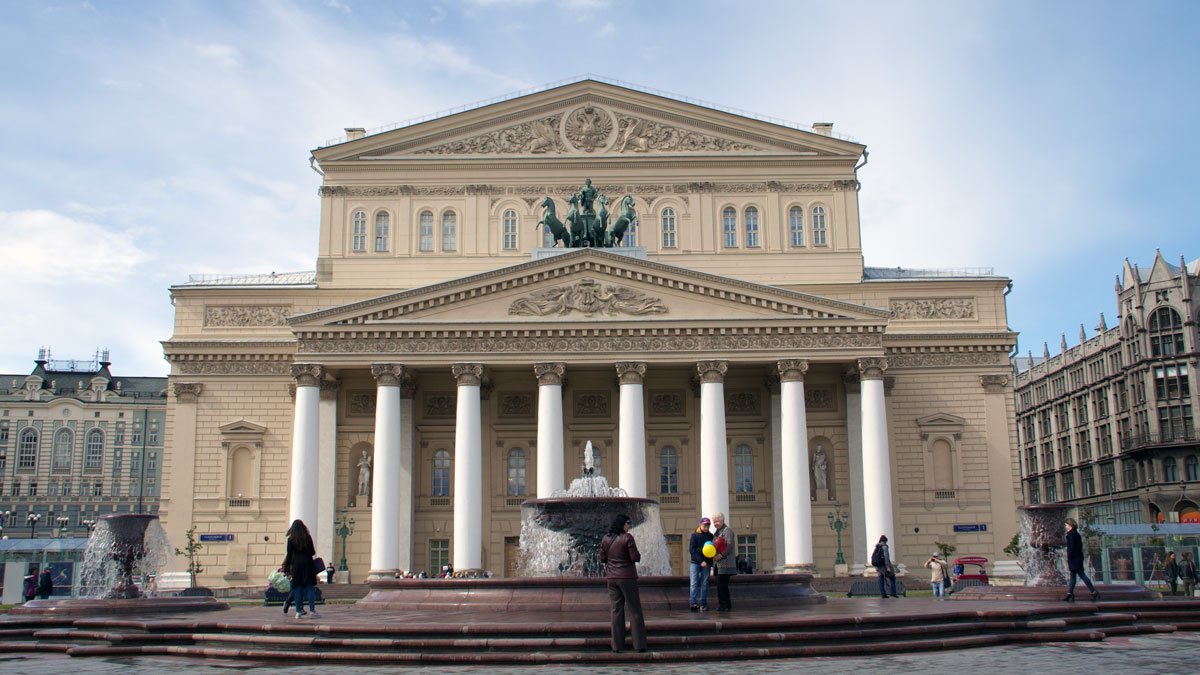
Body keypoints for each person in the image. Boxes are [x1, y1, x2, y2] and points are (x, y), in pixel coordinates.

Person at [599, 513, 648, 653]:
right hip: (627, 577)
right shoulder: (627, 538)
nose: (629, 526)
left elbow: (602, 558)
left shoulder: (606, 539)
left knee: (616, 610)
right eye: (628, 523)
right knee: (634, 610)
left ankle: (616, 645)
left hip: (612, 578)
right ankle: (639, 644)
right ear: (622, 524)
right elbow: (635, 557)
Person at [282, 519, 320, 619]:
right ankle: (312, 610)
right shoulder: (307, 537)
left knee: (297, 588)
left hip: (297, 565)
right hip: (308, 564)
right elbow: (312, 552)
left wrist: (286, 569)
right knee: (309, 587)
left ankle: (298, 611)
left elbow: (289, 555)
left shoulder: (291, 540)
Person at [1063, 517, 1098, 602]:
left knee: (1081, 575)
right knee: (1073, 576)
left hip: (1074, 558)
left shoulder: (1071, 535)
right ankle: (1070, 593)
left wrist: (1069, 557)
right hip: (1077, 558)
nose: (1065, 526)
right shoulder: (1076, 534)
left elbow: (1071, 548)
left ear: (1070, 525)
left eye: (1066, 525)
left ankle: (1093, 591)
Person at [711, 512, 737, 612]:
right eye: (714, 522)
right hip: (718, 563)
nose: (715, 523)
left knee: (721, 585)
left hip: (725, 563)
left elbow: (729, 546)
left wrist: (720, 556)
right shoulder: (717, 532)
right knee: (721, 585)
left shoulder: (727, 531)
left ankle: (724, 605)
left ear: (722, 520)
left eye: (717, 521)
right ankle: (726, 604)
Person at [688, 517, 715, 611]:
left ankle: (703, 604)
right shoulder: (695, 535)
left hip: (706, 564)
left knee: (704, 584)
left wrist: (710, 564)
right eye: (704, 526)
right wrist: (701, 561)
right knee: (694, 584)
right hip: (695, 563)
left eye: (708, 526)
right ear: (700, 525)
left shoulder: (711, 536)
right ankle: (693, 604)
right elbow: (692, 550)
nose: (706, 528)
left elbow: (712, 551)